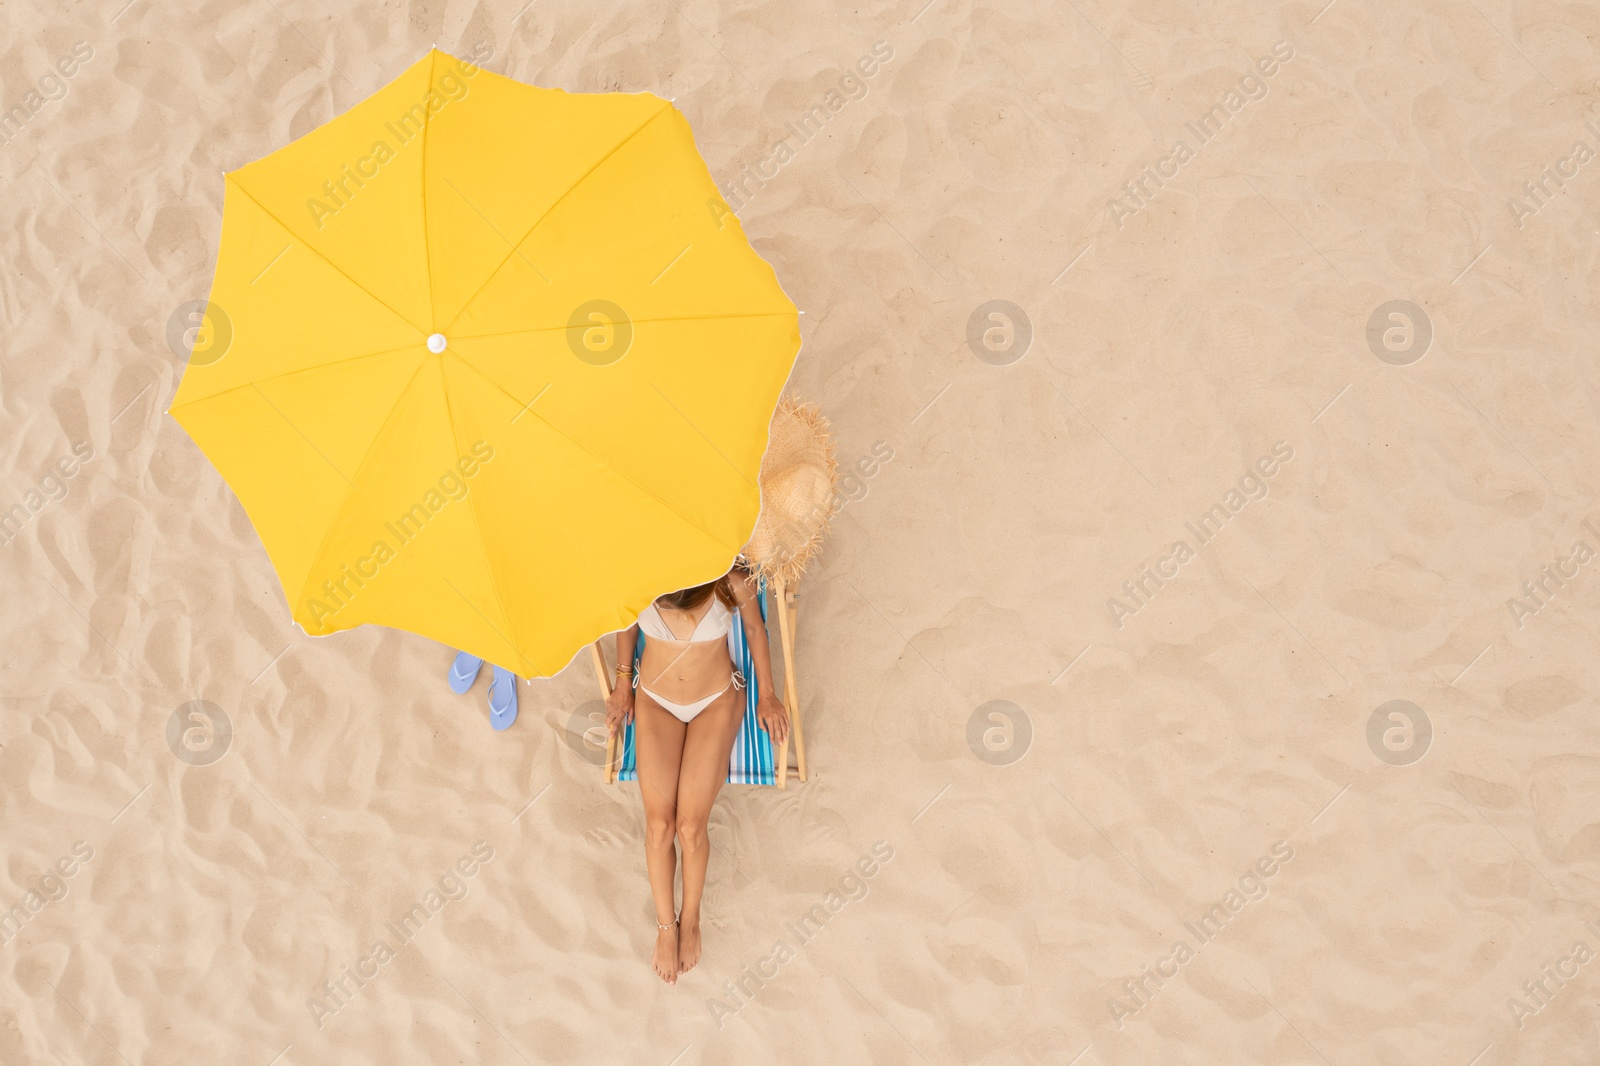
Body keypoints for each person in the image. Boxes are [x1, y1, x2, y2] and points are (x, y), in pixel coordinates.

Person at [605, 564, 789, 984]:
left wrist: (769, 695)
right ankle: (665, 928)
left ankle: (690, 919)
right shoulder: (639, 572)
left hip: (715, 703)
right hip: (654, 700)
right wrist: (621, 685)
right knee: (658, 826)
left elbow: (756, 632)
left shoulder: (729, 580)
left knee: (690, 829)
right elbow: (627, 627)